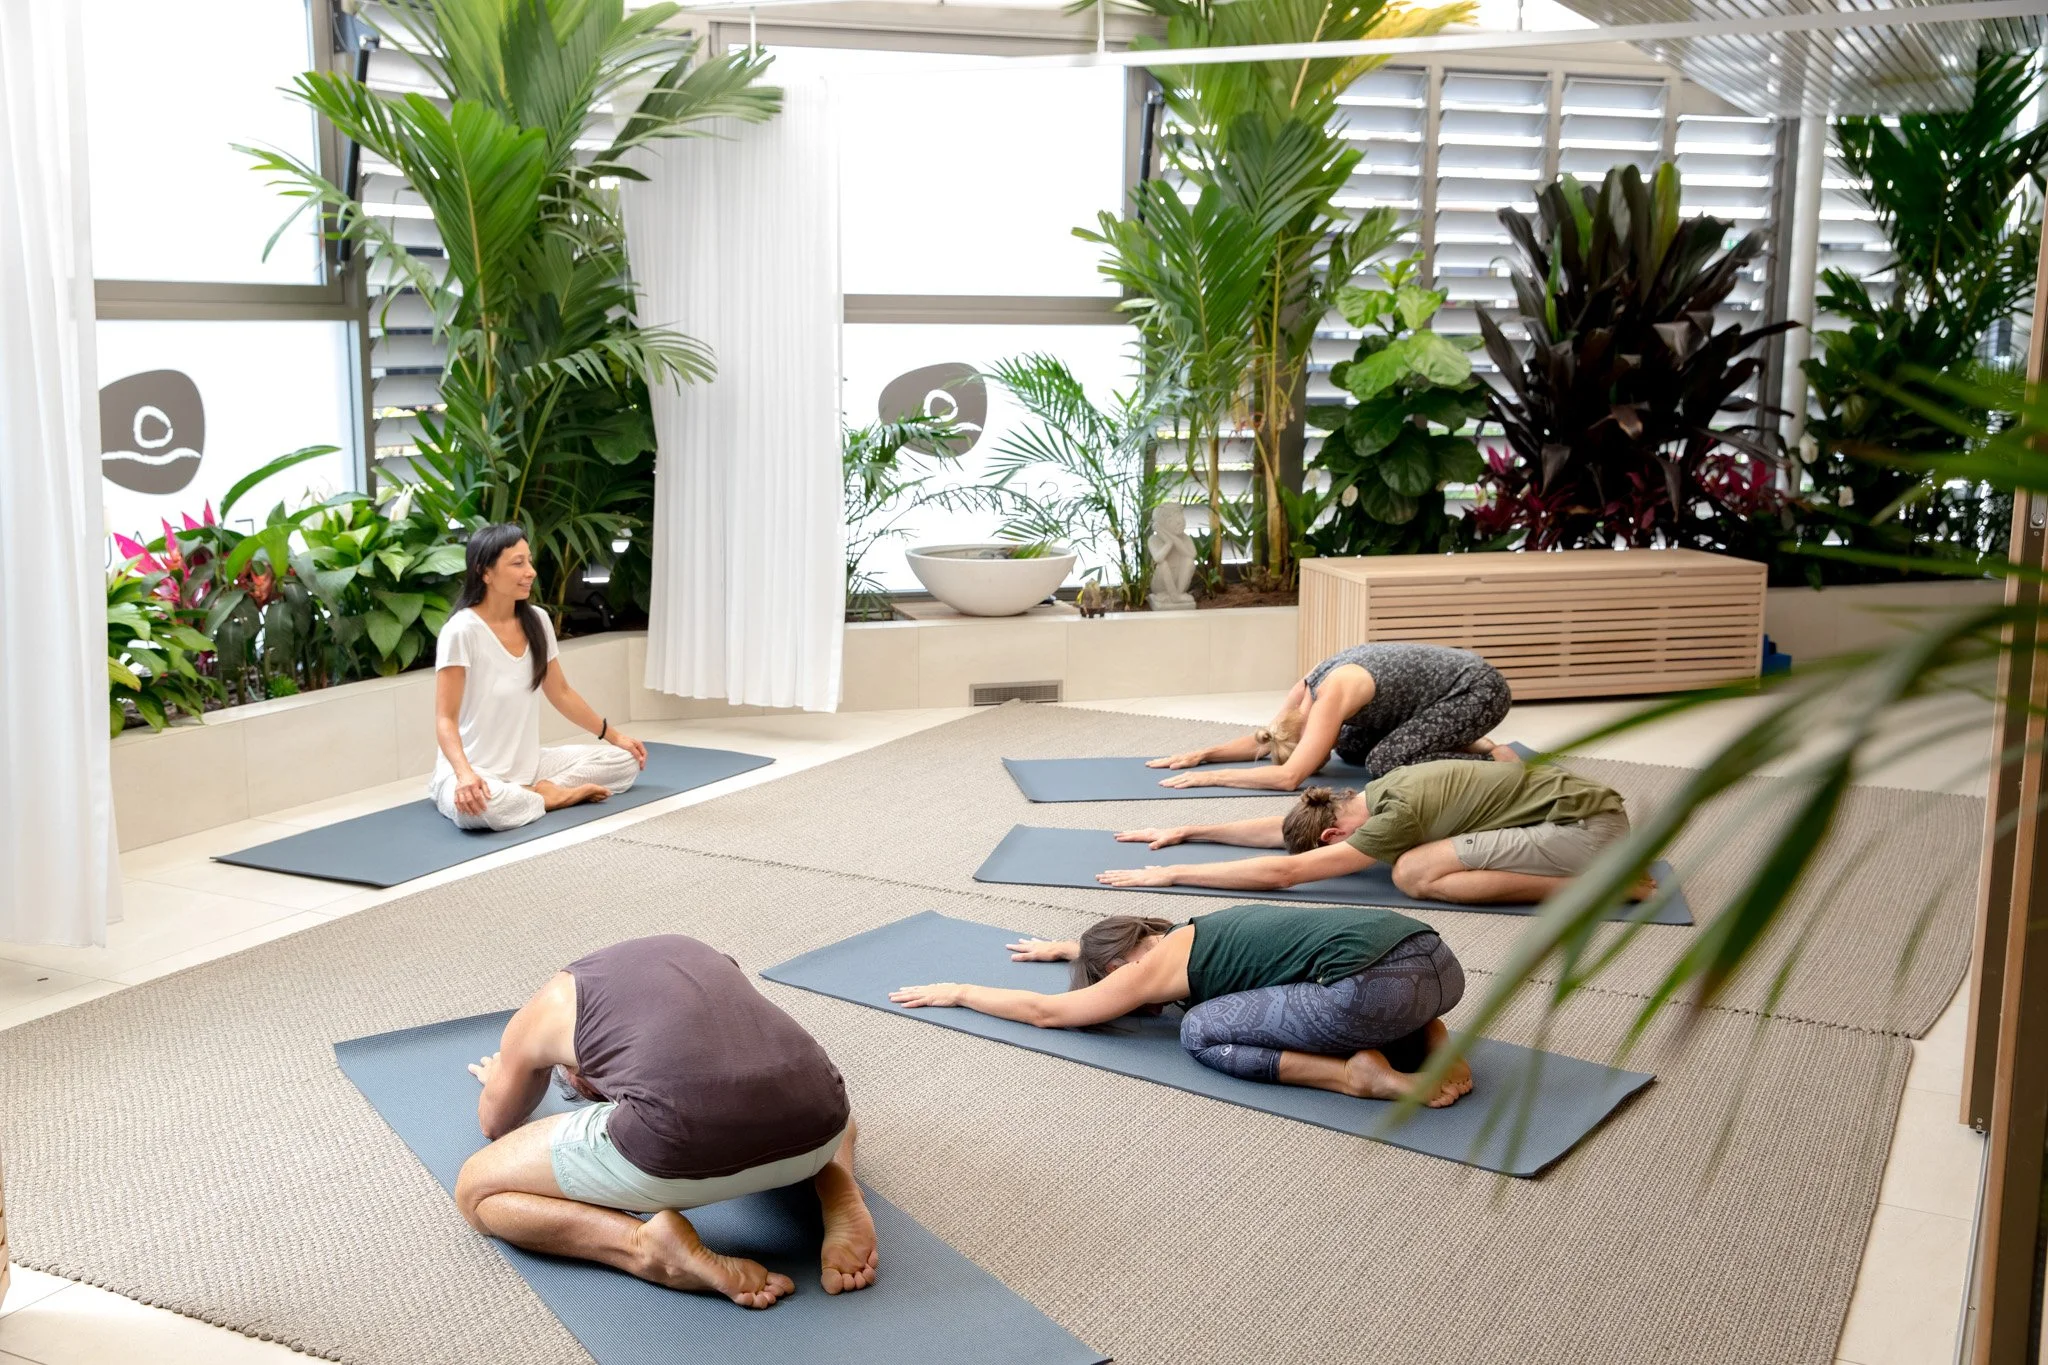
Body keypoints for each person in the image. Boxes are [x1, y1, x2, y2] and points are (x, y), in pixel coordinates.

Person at [455, 935, 879, 1308]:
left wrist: (504, 1075)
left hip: (678, 1152)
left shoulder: (544, 1008)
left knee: (477, 1191)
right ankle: (835, 1177)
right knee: (813, 1097)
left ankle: (643, 1247)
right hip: (822, 1121)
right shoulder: (697, 952)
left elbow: (495, 1123)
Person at [889, 904, 1472, 1108]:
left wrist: (961, 991)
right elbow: (1125, 950)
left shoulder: (1149, 968)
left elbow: (1049, 1013)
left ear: (1121, 966)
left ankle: (1356, 1078)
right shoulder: (1202, 932)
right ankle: (1436, 1043)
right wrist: (1069, 947)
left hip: (1372, 992)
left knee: (1199, 1030)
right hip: (1438, 964)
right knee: (1323, 984)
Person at [1100, 756, 1651, 906]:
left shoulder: (1393, 821)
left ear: (1332, 838)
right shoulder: (1376, 791)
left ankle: (1606, 885)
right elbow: (1282, 832)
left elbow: (1287, 872)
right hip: (1574, 810)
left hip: (1585, 830)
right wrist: (1193, 830)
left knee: (1415, 872)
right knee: (1417, 864)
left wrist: (1173, 874)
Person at [431, 524, 647, 831]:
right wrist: (464, 775)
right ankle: (547, 797)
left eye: (529, 561)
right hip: (473, 768)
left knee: (624, 763)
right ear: (485, 572)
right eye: (517, 564)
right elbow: (445, 720)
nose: (530, 571)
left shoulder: (538, 621)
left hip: (530, 765)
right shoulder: (461, 631)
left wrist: (616, 737)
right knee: (479, 810)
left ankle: (539, 790)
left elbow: (560, 692)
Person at [1147, 643, 1516, 791]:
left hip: (1478, 691)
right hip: (1431, 698)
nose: (1320, 759)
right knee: (1352, 746)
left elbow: (1290, 777)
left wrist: (1212, 778)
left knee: (1384, 763)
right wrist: (1203, 754)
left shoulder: (1328, 697)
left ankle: (1488, 758)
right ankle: (1460, 739)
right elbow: (1266, 737)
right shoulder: (1303, 692)